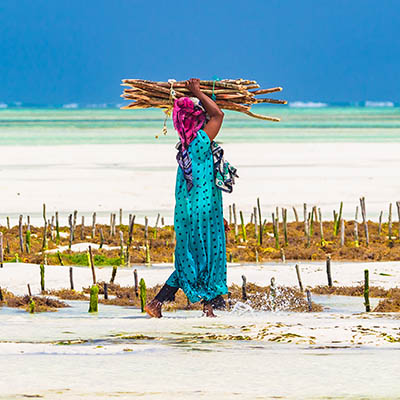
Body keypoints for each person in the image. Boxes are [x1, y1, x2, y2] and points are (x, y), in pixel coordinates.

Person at [145, 78, 232, 318]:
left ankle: (205, 306)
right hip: (202, 214)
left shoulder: (185, 147)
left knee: (194, 257)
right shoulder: (199, 143)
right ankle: (168, 303)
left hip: (191, 213)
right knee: (206, 256)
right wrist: (198, 92)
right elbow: (219, 115)